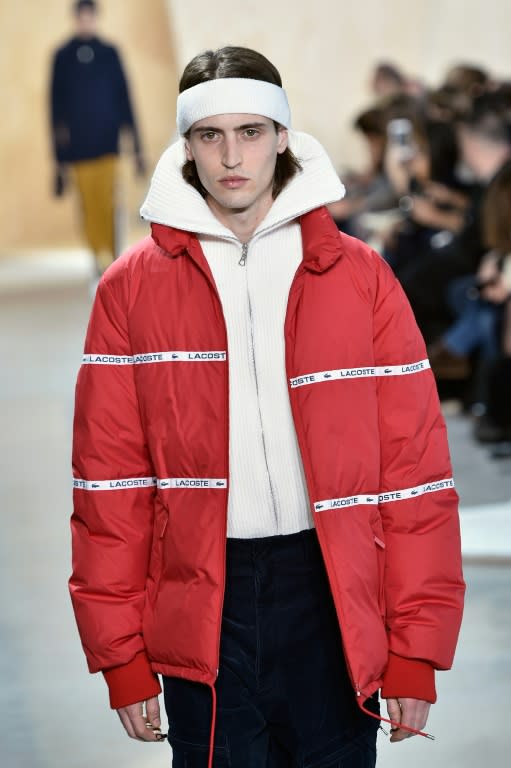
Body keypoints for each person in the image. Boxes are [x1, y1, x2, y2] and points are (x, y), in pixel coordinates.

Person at [70, 46, 465, 768]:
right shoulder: (130, 289)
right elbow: (108, 486)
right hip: (201, 603)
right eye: (209, 135)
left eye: (250, 132)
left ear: (283, 136)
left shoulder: (359, 277)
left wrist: (417, 648)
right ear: (185, 146)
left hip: (332, 593)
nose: (231, 157)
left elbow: (415, 477)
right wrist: (120, 656)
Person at [49, 0, 145, 276]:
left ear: (95, 19)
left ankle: (111, 259)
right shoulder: (62, 56)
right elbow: (55, 109)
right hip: (77, 149)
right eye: (81, 18)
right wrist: (58, 157)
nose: (85, 22)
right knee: (88, 207)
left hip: (108, 144)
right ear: (75, 19)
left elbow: (125, 98)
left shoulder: (110, 53)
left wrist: (136, 146)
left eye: (89, 18)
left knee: (109, 203)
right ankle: (98, 256)